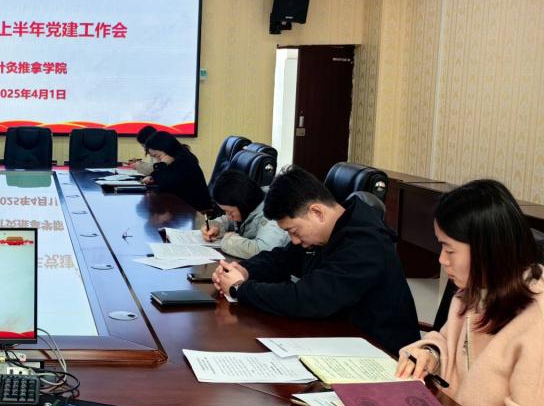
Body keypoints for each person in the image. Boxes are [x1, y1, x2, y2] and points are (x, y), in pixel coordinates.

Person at [397, 180, 544, 406]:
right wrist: (431, 353)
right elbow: (448, 340)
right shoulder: (474, 294)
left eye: (449, 250)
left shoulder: (536, 320)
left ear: (487, 249)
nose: (442, 260)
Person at [212, 165, 419, 354]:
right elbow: (282, 259)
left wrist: (240, 289)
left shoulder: (365, 243)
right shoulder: (329, 232)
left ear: (317, 212)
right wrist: (244, 269)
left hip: (383, 355)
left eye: (294, 231)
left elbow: (308, 298)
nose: (293, 240)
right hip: (340, 337)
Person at [203, 170, 288, 259]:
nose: (228, 216)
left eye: (230, 212)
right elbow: (230, 220)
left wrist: (228, 242)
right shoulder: (251, 204)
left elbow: (264, 250)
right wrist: (216, 227)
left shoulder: (272, 213)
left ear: (243, 204)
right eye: (225, 211)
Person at [141, 130, 212, 212]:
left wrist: (162, 164)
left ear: (167, 149)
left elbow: (165, 185)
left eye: (158, 156)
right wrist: (153, 176)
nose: (157, 160)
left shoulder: (184, 160)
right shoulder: (175, 157)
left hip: (195, 210)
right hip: (182, 205)